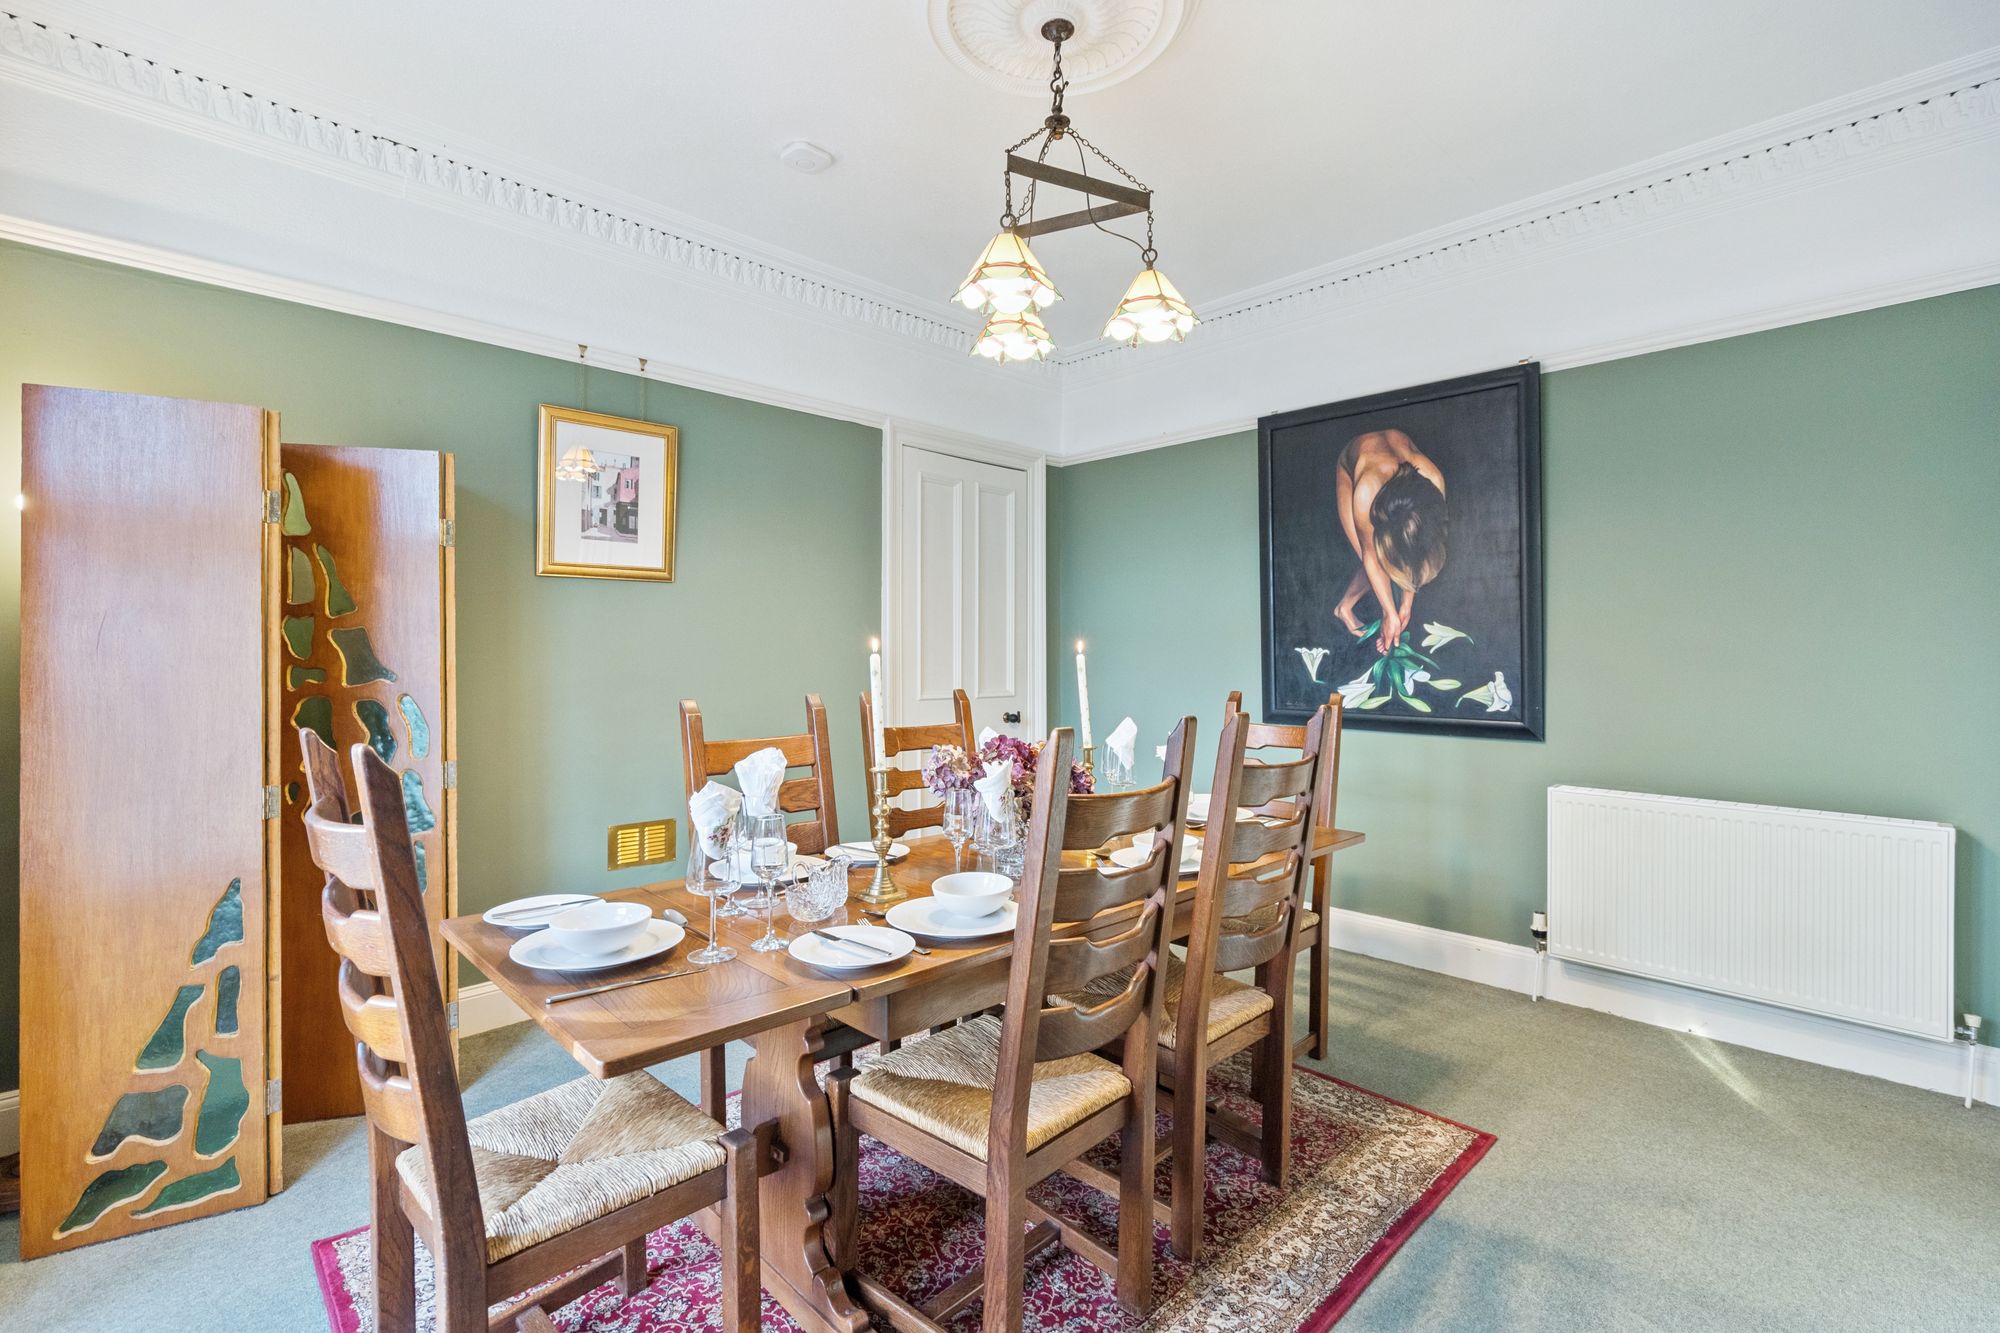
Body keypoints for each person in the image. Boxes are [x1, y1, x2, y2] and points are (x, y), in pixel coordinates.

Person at [1334, 429, 1448, 655]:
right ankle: (1344, 608)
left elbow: (1418, 550)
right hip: (1351, 466)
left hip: (1392, 472)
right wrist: (1389, 613)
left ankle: (1345, 606)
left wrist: (1406, 605)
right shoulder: (1366, 491)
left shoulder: (1433, 481)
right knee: (1376, 561)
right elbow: (1371, 557)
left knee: (1391, 565)